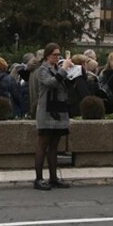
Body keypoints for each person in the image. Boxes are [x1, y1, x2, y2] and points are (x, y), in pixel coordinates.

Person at [34, 43, 72, 190]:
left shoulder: (57, 68)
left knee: (54, 146)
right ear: (47, 55)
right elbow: (51, 83)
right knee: (42, 145)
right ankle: (38, 179)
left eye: (58, 55)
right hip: (46, 111)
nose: (57, 57)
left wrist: (71, 73)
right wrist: (63, 69)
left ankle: (53, 178)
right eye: (54, 55)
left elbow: (62, 85)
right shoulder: (42, 69)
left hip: (59, 110)